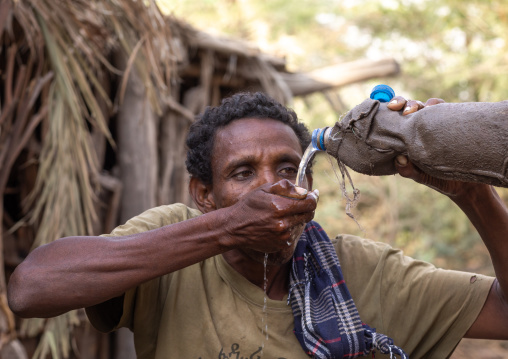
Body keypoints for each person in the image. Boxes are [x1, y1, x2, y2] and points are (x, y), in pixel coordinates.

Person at [7, 92, 508, 359]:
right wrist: (226, 229)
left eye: (289, 169)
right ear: (204, 195)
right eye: (243, 173)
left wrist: (472, 194)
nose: (274, 187)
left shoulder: (358, 268)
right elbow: (31, 289)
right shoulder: (174, 234)